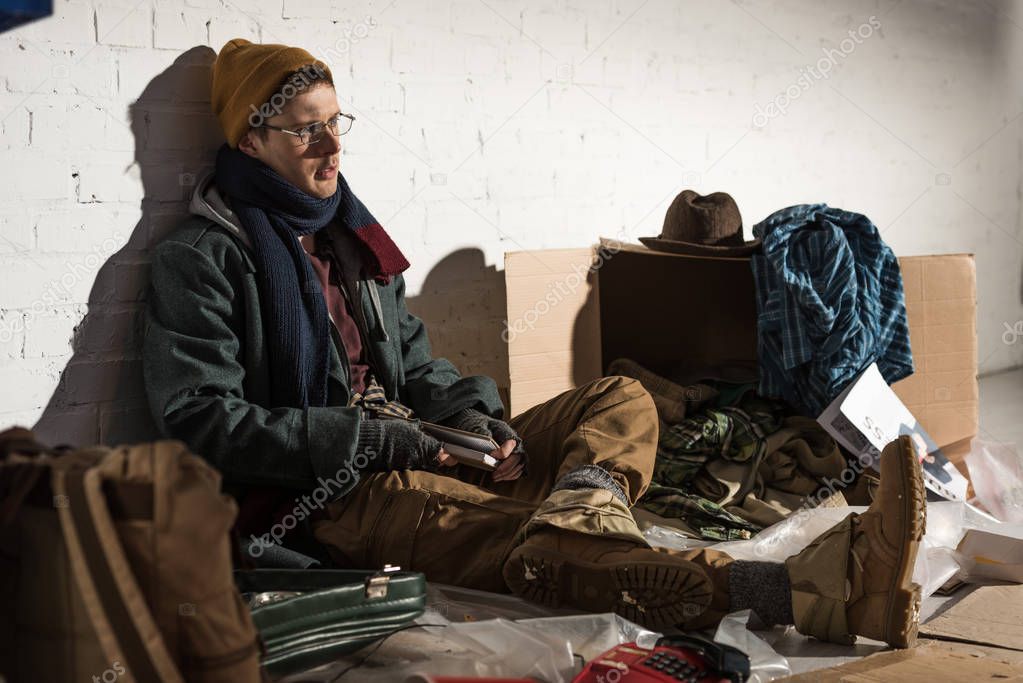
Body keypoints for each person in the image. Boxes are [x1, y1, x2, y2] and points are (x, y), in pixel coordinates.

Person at [142, 38, 927, 648]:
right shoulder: (202, 259)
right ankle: (818, 588)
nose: (332, 148)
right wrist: (379, 441)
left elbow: (416, 363)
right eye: (306, 130)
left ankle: (584, 504)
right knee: (541, 550)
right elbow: (201, 420)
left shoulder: (350, 237)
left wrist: (478, 420)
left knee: (623, 393)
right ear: (251, 140)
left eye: (335, 123)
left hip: (427, 447)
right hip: (338, 495)